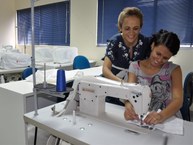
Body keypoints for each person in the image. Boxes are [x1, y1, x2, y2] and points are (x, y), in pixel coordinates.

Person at [124, 29, 183, 125]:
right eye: (158, 54)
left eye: (165, 58)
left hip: (168, 118)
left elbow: (178, 100)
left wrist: (161, 116)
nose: (159, 60)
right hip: (142, 117)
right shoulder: (135, 67)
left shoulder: (174, 70)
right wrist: (128, 107)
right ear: (152, 45)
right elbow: (130, 93)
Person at [102, 7, 151, 106]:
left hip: (135, 87)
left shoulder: (145, 42)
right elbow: (105, 70)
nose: (132, 33)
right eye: (127, 28)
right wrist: (124, 84)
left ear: (140, 28)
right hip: (114, 85)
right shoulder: (115, 41)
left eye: (135, 28)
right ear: (120, 27)